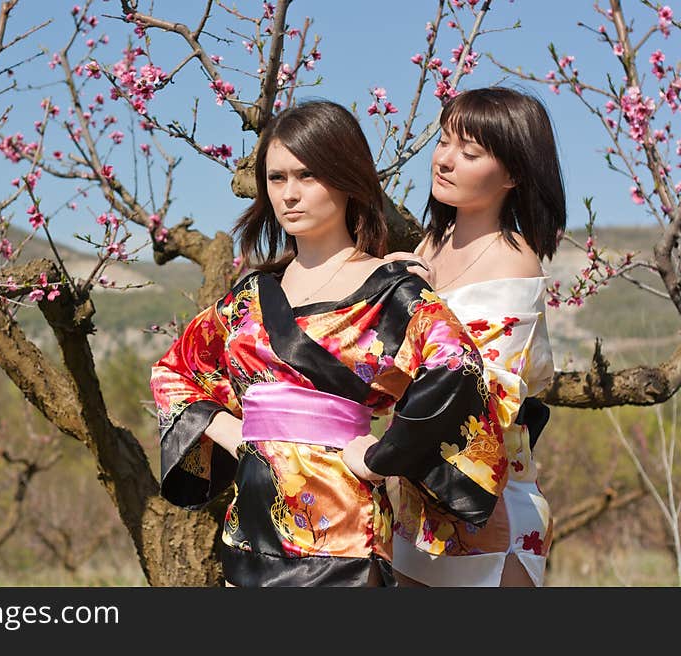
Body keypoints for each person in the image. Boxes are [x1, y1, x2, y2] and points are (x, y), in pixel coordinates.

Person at [150, 99, 505, 587]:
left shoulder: (390, 291)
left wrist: (383, 458)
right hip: (248, 530)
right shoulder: (248, 299)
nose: (290, 194)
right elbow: (174, 372)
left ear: (345, 178)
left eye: (308, 176)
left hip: (343, 533)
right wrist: (235, 433)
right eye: (277, 179)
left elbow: (458, 369)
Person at [388, 86, 564, 587]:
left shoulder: (513, 260)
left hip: (487, 497)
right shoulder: (430, 244)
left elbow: (476, 387)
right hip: (419, 498)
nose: (445, 160)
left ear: (513, 173)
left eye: (469, 152)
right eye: (444, 142)